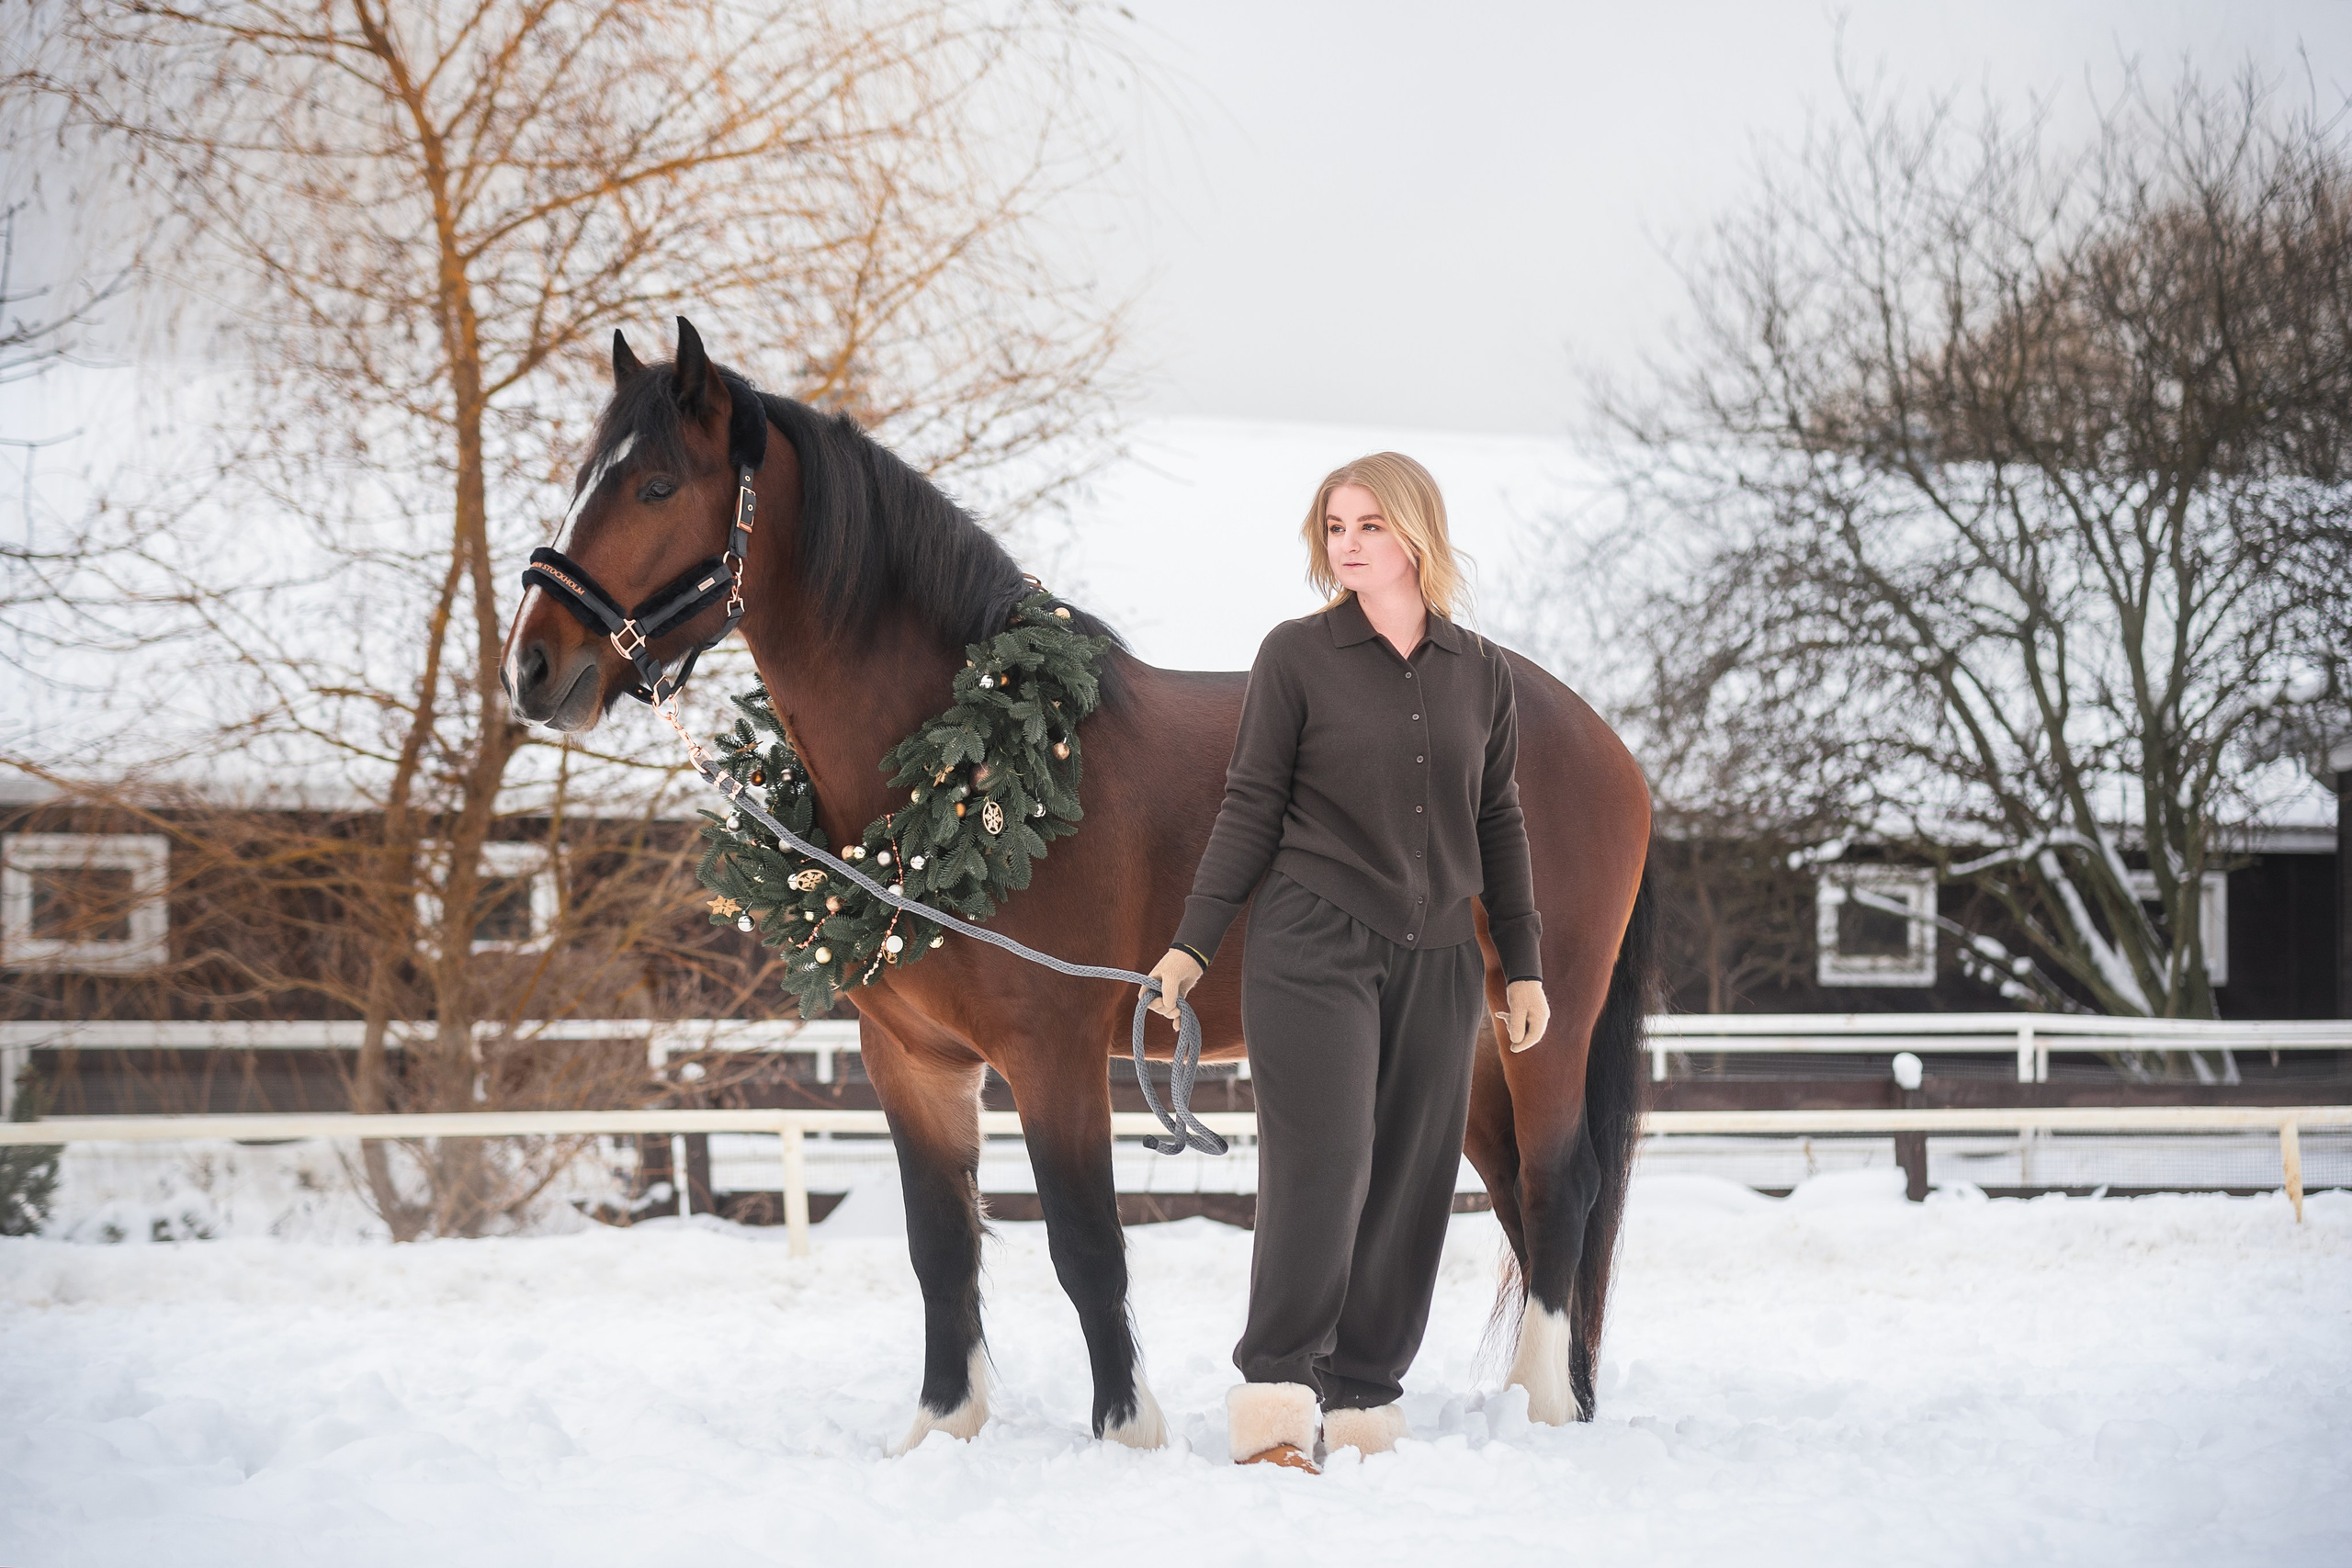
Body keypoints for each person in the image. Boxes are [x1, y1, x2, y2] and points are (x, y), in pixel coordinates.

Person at [1142, 452, 1549, 1472]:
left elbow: (1498, 819)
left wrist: (1524, 964)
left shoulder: (1480, 671)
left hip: (1440, 956)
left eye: (1369, 524)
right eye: (1335, 527)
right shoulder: (1296, 655)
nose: (1349, 544)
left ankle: (1365, 1393)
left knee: (1413, 1175)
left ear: (1417, 531)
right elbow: (1249, 805)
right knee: (1325, 1164)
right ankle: (1278, 1399)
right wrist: (1193, 941)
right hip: (1311, 942)